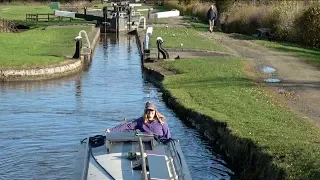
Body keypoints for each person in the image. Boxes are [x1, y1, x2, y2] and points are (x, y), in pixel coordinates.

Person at [105, 101, 171, 139]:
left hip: (160, 144)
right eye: (148, 110)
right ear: (145, 111)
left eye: (152, 110)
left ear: (155, 111)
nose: (150, 112)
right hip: (146, 143)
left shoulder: (162, 121)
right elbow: (127, 126)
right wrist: (111, 131)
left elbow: (167, 135)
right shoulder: (140, 121)